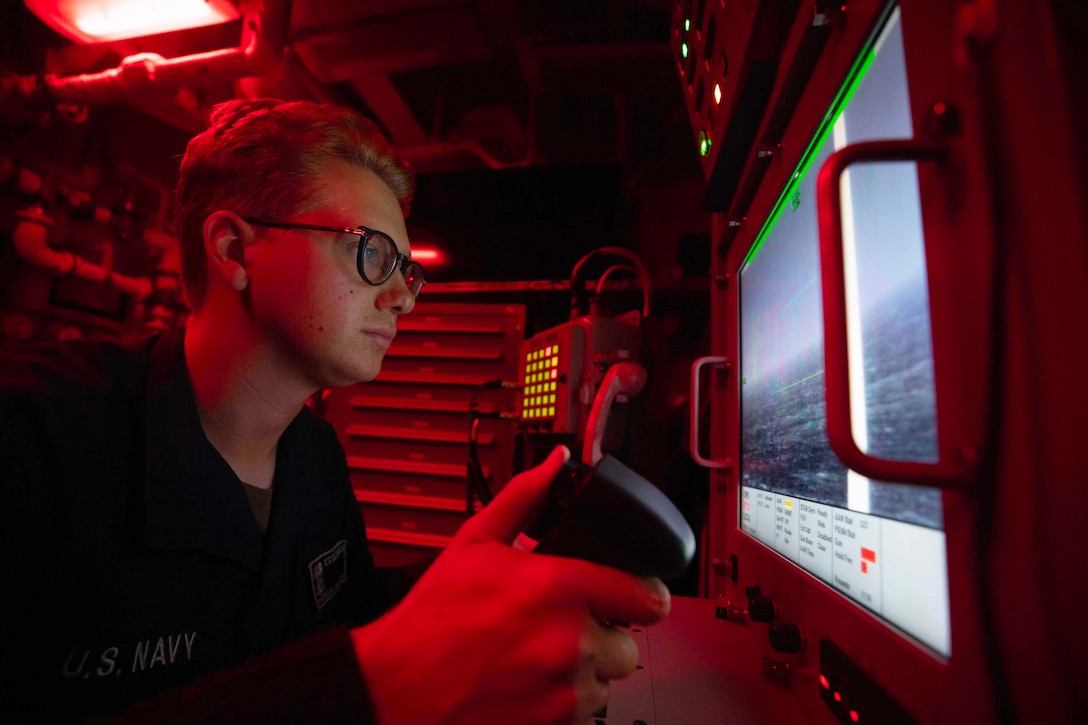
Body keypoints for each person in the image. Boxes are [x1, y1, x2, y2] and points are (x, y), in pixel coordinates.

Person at [0, 98, 670, 724]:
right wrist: (376, 689)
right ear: (236, 252)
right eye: (371, 252)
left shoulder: (314, 458)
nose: (405, 299)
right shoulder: (33, 441)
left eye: (407, 271)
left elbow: (331, 621)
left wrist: (461, 574)